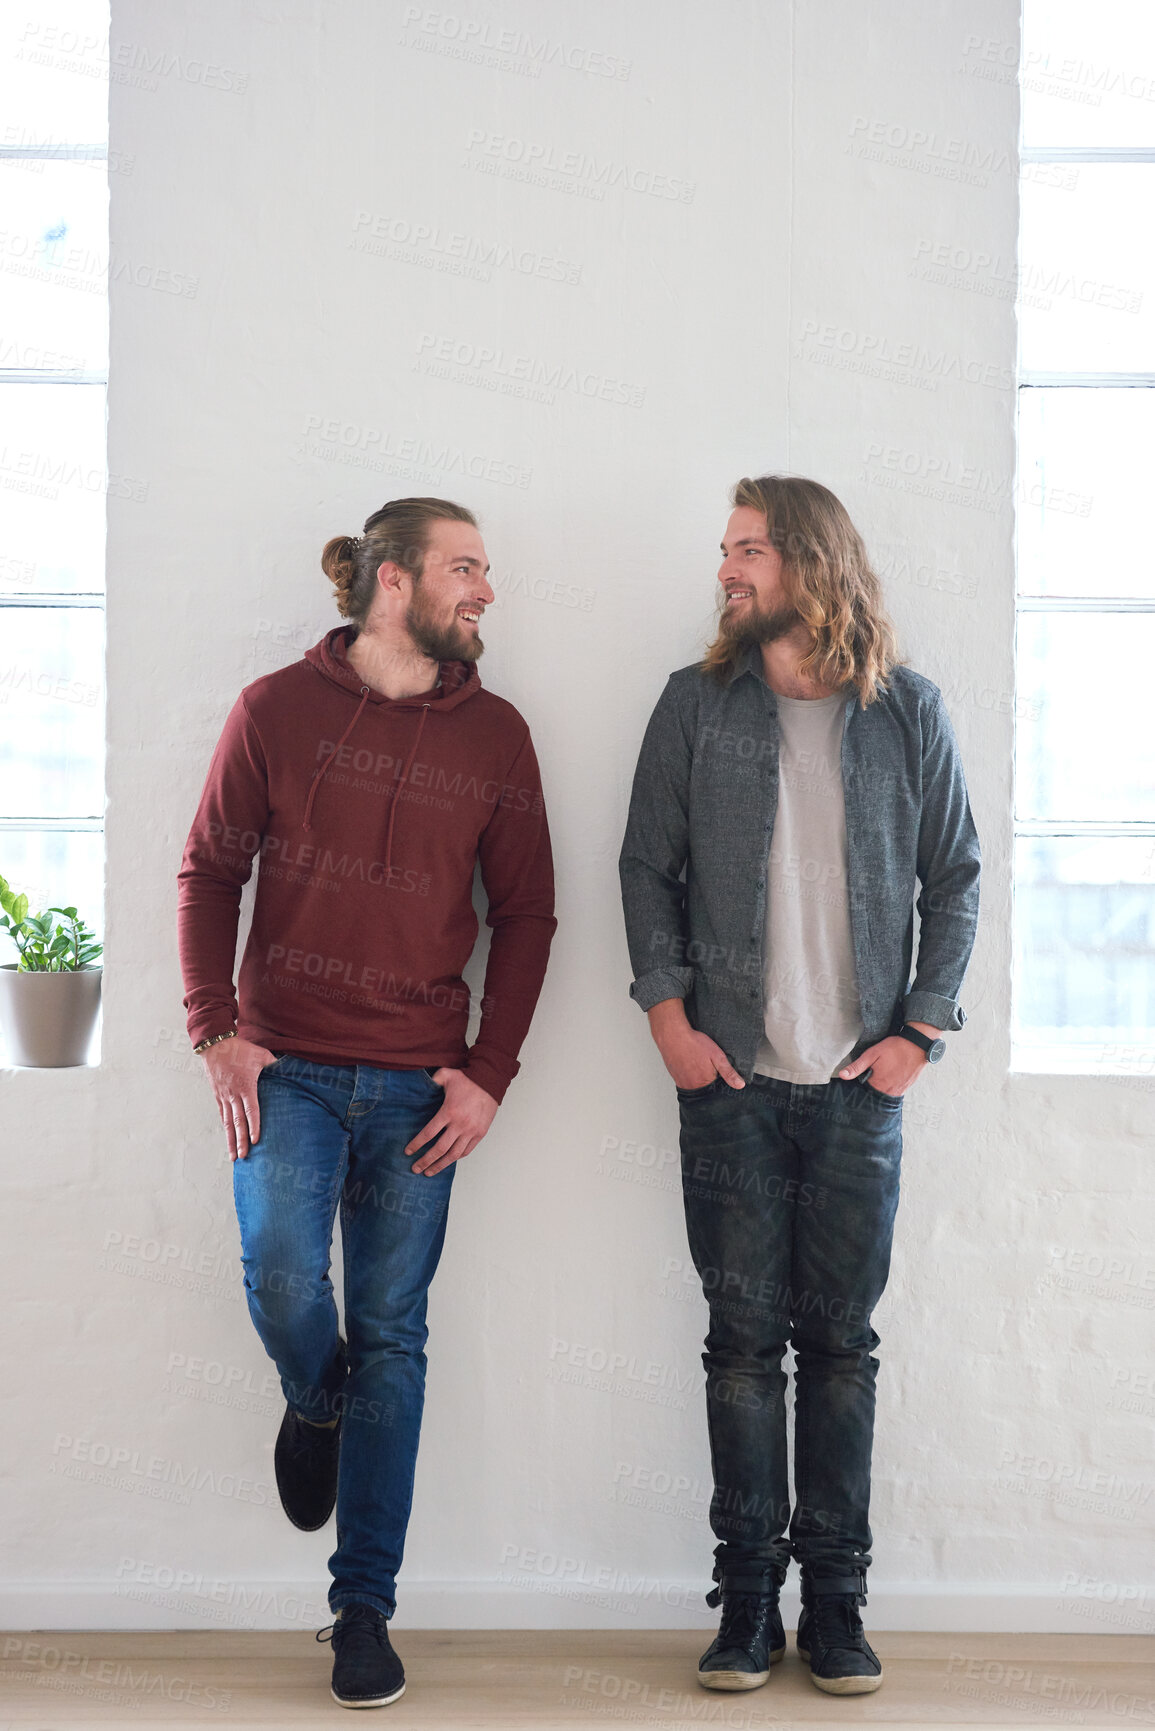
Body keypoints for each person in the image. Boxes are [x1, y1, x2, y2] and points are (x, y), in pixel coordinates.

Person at [177, 497, 555, 1709]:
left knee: (395, 1333)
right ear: (394, 583)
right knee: (285, 1278)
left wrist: (490, 1073)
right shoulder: (273, 712)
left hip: (418, 1088)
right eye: (467, 569)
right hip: (282, 1067)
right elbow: (209, 870)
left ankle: (361, 1609)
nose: (486, 592)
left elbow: (531, 914)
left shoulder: (497, 736)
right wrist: (215, 1034)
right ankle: (313, 1398)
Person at [619, 475, 980, 1697]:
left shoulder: (907, 712)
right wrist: (668, 1017)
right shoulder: (696, 706)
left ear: (810, 561)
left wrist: (920, 1033)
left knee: (839, 1350)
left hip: (854, 1094)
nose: (726, 569)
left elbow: (958, 877)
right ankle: (743, 1608)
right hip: (727, 1080)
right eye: (725, 548)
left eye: (748, 549)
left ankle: (836, 1607)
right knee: (737, 1348)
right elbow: (644, 868)